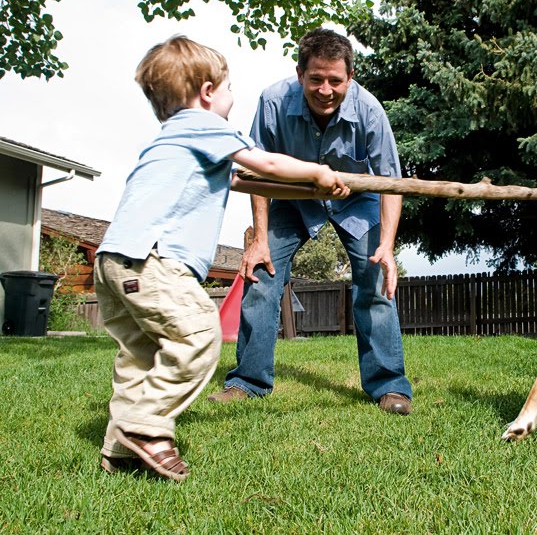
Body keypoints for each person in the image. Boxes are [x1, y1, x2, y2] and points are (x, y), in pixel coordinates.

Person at [95, 35, 349, 481]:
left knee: (139, 356)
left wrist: (313, 188)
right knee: (198, 334)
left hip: (114, 260)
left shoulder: (173, 137)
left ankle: (120, 447)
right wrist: (317, 171)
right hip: (155, 260)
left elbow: (247, 181)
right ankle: (147, 425)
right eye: (230, 87)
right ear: (208, 92)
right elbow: (265, 164)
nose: (234, 97)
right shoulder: (203, 122)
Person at [208, 28, 413, 415]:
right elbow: (256, 176)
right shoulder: (272, 101)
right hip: (293, 197)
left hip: (355, 200)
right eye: (316, 78)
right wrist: (259, 240)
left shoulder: (369, 110)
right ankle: (248, 382)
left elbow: (391, 182)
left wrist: (386, 245)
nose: (325, 89)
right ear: (300, 73)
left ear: (349, 78)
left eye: (335, 80)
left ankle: (390, 386)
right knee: (261, 274)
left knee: (374, 279)